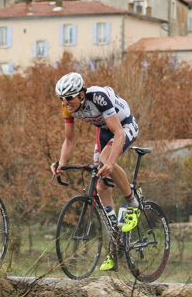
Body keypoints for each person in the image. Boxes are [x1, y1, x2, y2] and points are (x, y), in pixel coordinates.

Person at [50, 72, 141, 272]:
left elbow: (118, 133)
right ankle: (115, 245)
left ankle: (133, 203)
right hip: (104, 130)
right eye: (62, 99)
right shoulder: (68, 107)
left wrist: (110, 161)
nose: (66, 103)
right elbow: (69, 140)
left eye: (69, 98)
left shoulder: (98, 97)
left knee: (105, 162)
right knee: (100, 184)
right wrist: (61, 163)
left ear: (82, 94)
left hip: (124, 126)